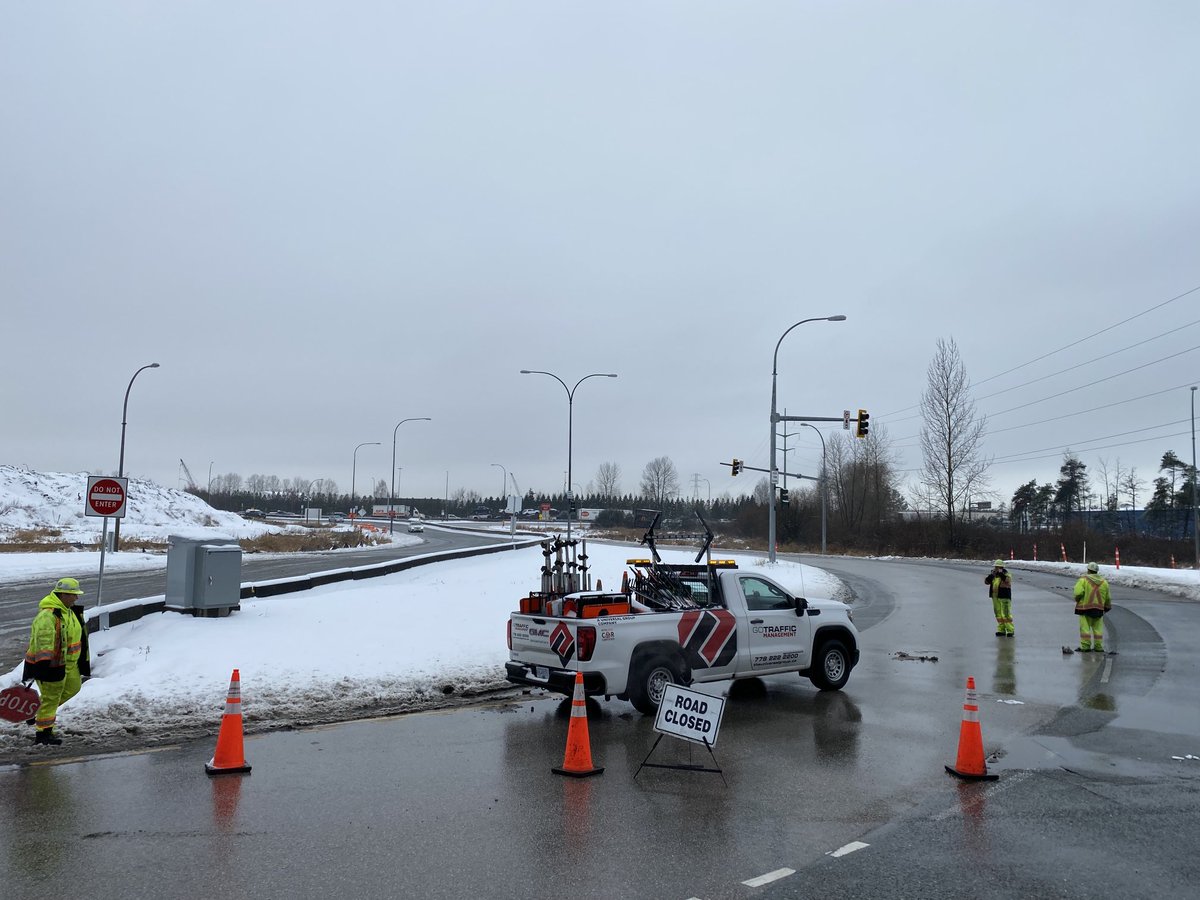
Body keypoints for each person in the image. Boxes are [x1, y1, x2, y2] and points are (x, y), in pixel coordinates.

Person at [22, 577, 85, 746]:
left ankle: (36, 712)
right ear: (63, 594)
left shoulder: (67, 610)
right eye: (73, 595)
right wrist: (43, 666)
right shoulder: (48, 615)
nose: (76, 598)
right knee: (51, 698)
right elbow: (43, 643)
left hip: (69, 664)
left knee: (73, 688)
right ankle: (43, 734)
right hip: (52, 665)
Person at [1072, 562, 1112, 653]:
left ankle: (1085, 647)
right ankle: (1098, 647)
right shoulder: (1104, 582)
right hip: (1099, 609)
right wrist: (1107, 607)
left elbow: (1078, 593)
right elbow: (1108, 597)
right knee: (1098, 629)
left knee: (1085, 628)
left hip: (1084, 609)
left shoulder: (1083, 580)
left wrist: (1077, 599)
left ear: (1088, 570)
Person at [984, 559, 1014, 637]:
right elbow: (986, 582)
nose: (996, 569)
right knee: (998, 614)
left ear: (1002, 567)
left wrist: (1001, 574)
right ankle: (1001, 630)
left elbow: (1007, 581)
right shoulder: (994, 575)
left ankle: (1010, 630)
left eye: (998, 567)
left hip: (1004, 597)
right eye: (996, 567)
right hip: (995, 597)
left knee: (1006, 614)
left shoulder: (1006, 574)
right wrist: (991, 576)